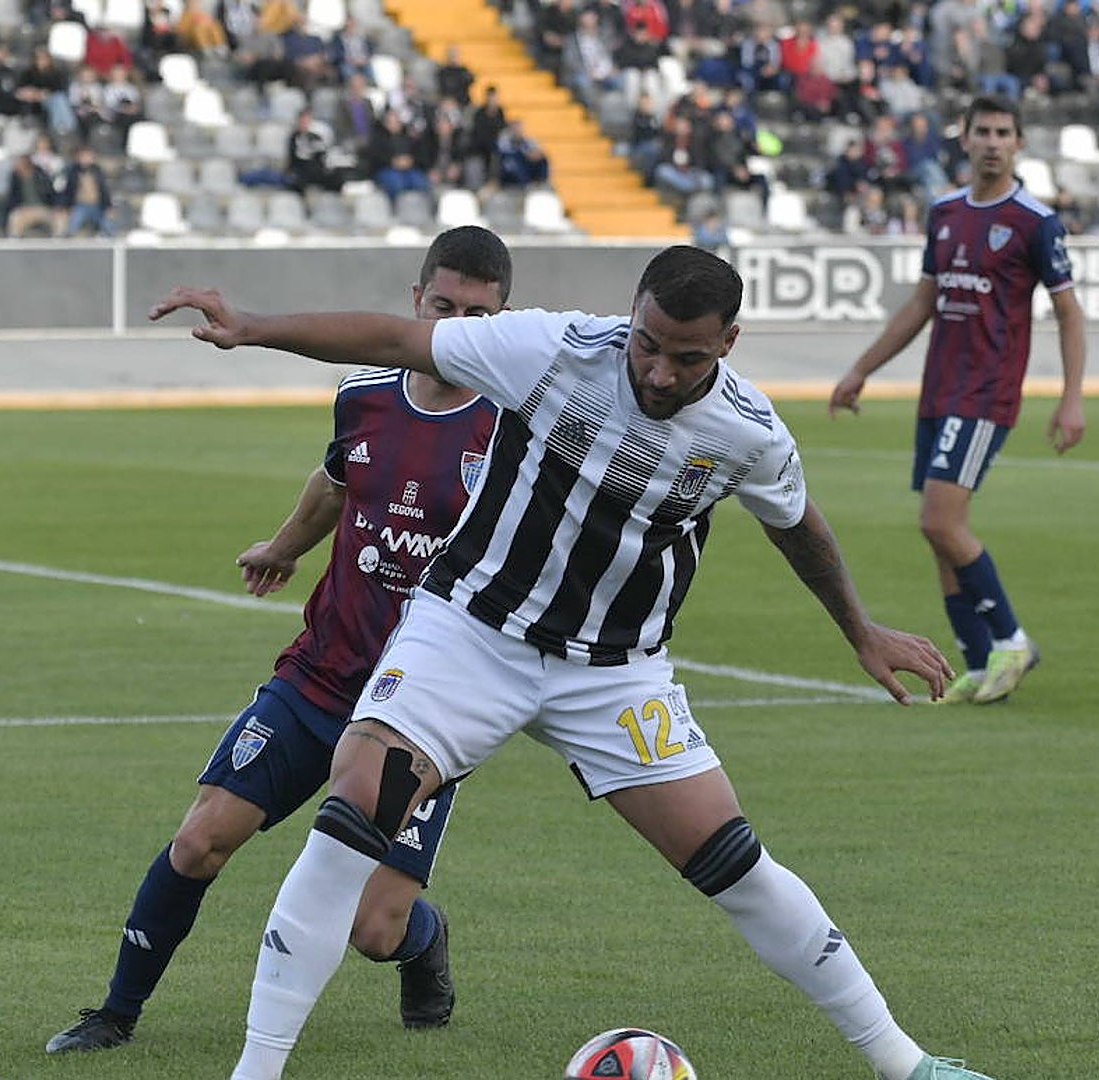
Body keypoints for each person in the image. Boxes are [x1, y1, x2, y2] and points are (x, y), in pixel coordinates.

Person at [149, 246, 994, 1080]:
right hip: (472, 635)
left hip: (616, 674)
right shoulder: (552, 350)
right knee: (358, 805)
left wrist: (861, 631)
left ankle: (906, 1064)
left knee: (734, 863)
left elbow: (797, 526)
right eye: (648, 343)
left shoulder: (749, 432)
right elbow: (394, 341)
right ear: (631, 317)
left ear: (728, 344)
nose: (660, 372)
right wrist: (251, 326)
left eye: (688, 356)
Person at [45, 226, 514, 1054]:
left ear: (503, 320)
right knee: (201, 838)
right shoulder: (365, 396)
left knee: (375, 927)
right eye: (443, 307)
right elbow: (338, 478)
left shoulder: (517, 429)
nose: (456, 330)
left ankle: (424, 937)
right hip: (323, 676)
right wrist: (284, 547)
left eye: (477, 315)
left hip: (425, 712)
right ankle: (115, 1014)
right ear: (416, 302)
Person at [828, 95, 1087, 707]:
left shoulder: (1035, 221)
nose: (993, 142)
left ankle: (1012, 640)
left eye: (1004, 132)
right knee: (942, 531)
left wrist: (1071, 399)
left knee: (939, 521)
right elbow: (923, 302)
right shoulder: (944, 212)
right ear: (964, 139)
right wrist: (861, 369)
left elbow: (1069, 313)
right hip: (939, 389)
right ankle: (977, 662)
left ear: (1019, 143)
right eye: (982, 132)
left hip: (986, 391)